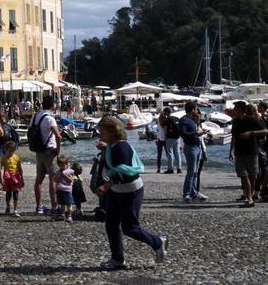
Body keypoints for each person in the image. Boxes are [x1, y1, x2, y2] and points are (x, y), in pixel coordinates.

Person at [94, 115, 167, 270]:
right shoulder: (111, 146)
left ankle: (158, 242)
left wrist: (106, 186)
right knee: (111, 225)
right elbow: (114, 165)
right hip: (116, 191)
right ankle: (117, 259)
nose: (100, 134)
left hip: (130, 191)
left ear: (112, 132)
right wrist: (105, 149)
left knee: (130, 227)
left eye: (102, 132)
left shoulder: (121, 147)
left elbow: (125, 172)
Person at [228, 101, 268, 207]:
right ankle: (249, 197)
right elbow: (234, 136)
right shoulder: (235, 121)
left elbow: (265, 131)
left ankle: (250, 197)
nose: (233, 110)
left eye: (235, 108)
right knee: (243, 175)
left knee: (252, 175)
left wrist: (251, 133)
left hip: (252, 150)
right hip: (239, 151)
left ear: (240, 109)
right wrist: (231, 150)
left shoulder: (251, 119)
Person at [31, 94, 60, 217]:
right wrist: (58, 150)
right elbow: (58, 135)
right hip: (49, 150)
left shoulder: (36, 116)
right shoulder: (50, 118)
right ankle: (54, 207)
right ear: (52, 105)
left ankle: (39, 207)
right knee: (53, 179)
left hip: (39, 150)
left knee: (39, 179)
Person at [178, 101, 207, 203]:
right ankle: (186, 194)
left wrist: (198, 123)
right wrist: (196, 132)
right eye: (195, 109)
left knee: (195, 172)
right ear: (193, 109)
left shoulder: (192, 120)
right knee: (191, 172)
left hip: (197, 146)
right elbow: (183, 133)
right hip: (190, 147)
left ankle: (193, 192)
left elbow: (195, 131)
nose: (196, 111)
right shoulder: (184, 120)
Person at [0, 141, 24, 217]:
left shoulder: (16, 157)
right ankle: (7, 205)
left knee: (16, 193)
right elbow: (2, 169)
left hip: (15, 177)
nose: (11, 153)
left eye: (12, 151)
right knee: (8, 193)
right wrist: (1, 178)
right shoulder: (3, 158)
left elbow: (20, 168)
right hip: (8, 178)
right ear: (5, 150)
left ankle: (15, 210)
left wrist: (22, 178)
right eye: (9, 151)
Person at [54, 154, 76, 221]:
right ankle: (62, 214)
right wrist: (57, 178)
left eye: (63, 165)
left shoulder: (69, 171)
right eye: (60, 166)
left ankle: (69, 215)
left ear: (67, 164)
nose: (62, 167)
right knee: (62, 204)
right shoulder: (58, 172)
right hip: (60, 189)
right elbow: (55, 180)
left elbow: (71, 181)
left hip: (67, 190)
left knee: (69, 204)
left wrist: (65, 176)